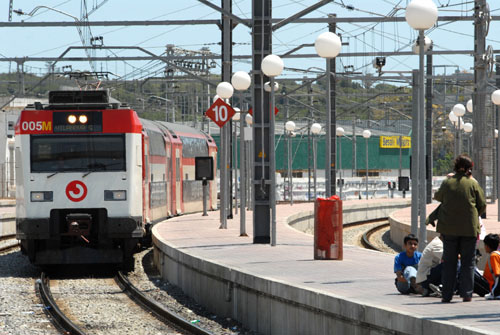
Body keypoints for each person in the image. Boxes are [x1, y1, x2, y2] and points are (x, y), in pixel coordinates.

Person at [434, 154, 486, 303]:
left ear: (455, 167)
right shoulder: (472, 183)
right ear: (470, 168)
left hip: (449, 229)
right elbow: (482, 204)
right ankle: (467, 294)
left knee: (449, 262)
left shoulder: (448, 182)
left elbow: (438, 197)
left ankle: (447, 295)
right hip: (469, 229)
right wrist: (474, 214)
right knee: (468, 262)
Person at [481, 234, 500, 300]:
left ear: (487, 246)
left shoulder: (493, 256)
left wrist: (494, 292)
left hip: (491, 286)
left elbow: (497, 275)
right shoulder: (497, 254)